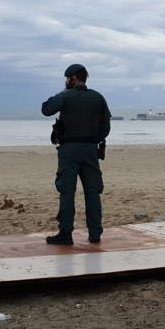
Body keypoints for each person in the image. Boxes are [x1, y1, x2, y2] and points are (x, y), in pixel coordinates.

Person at [41, 63, 112, 245]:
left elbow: (46, 109)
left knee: (67, 192)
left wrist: (64, 92)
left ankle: (66, 234)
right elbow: (106, 127)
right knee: (93, 192)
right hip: (90, 150)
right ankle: (95, 234)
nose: (65, 81)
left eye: (67, 78)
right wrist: (93, 140)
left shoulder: (65, 96)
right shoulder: (98, 98)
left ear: (72, 78)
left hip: (69, 150)